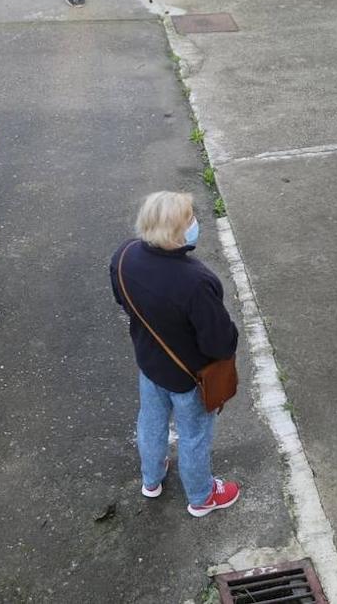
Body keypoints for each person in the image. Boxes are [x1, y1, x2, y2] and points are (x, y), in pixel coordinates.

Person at [109, 192, 241, 518]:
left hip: (149, 364)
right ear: (176, 233)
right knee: (193, 436)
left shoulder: (124, 255)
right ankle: (201, 496)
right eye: (190, 219)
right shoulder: (196, 281)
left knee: (151, 423)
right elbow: (220, 344)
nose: (195, 223)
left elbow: (121, 300)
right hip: (188, 377)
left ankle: (151, 479)